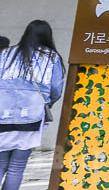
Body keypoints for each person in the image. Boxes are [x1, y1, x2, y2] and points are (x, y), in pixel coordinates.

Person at [0, 20, 64, 190]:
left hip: (2, 115)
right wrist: (46, 103)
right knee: (17, 167)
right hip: (31, 117)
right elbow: (56, 89)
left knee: (0, 163)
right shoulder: (52, 57)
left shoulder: (6, 53)